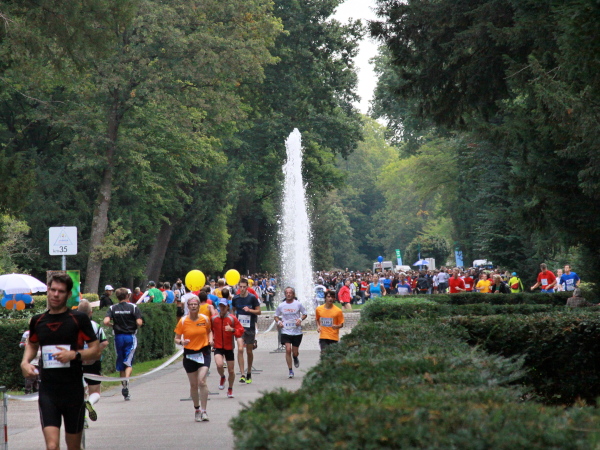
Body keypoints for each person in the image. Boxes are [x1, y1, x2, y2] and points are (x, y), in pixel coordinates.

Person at [20, 273, 100, 450]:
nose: (56, 294)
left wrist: (74, 355)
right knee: (52, 446)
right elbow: (32, 344)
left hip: (73, 390)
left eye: (61, 291)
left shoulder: (78, 319)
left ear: (68, 294)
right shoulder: (38, 321)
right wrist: (25, 362)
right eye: (53, 290)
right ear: (48, 290)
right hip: (48, 391)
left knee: (73, 447)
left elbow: (95, 350)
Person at [174, 295, 213, 422]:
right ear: (188, 307)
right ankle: (197, 409)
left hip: (203, 352)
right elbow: (176, 338)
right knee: (193, 384)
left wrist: (211, 340)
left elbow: (209, 331)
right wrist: (181, 342)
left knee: (202, 381)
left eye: (195, 304)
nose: (193, 306)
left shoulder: (205, 319)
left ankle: (204, 411)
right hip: (190, 354)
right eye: (191, 305)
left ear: (199, 306)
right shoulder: (183, 321)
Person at [103, 288, 143, 400]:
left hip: (118, 337)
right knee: (128, 362)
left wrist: (113, 325)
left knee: (121, 363)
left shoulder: (112, 308)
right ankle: (127, 380)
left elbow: (106, 321)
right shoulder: (133, 307)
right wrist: (136, 323)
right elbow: (139, 322)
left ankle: (125, 387)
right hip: (130, 336)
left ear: (117, 297)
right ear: (127, 296)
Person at [78, 299, 109, 428]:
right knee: (95, 391)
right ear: (90, 312)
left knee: (80, 392)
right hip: (93, 361)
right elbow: (104, 342)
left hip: (77, 362)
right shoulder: (95, 326)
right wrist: (96, 351)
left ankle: (83, 418)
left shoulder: (73, 326)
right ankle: (90, 402)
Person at [211, 297, 244, 399]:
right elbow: (209, 330)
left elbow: (241, 331)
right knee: (219, 364)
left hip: (229, 347)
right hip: (218, 346)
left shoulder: (232, 318)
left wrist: (232, 330)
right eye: (221, 306)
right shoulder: (214, 318)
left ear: (227, 307)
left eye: (224, 306)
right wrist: (211, 339)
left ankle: (230, 388)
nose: (222, 308)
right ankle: (222, 377)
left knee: (231, 371)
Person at [232, 278, 261, 384]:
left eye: (244, 287)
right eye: (241, 287)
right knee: (240, 349)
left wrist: (250, 310)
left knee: (249, 351)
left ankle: (249, 372)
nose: (242, 289)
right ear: (238, 287)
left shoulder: (252, 298)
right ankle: (242, 374)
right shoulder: (235, 298)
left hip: (250, 327)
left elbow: (259, 311)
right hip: (240, 328)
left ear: (247, 287)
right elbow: (233, 311)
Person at [274, 287, 308, 378]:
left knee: (295, 352)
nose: (288, 294)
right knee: (288, 349)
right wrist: (279, 322)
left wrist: (300, 319)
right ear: (285, 294)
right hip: (286, 331)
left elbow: (305, 314)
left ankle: (295, 357)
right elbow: (276, 316)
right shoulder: (281, 305)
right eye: (287, 293)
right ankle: (290, 370)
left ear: (293, 294)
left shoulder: (298, 304)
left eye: (290, 293)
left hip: (297, 331)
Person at [19, 325, 40, 394]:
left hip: (40, 359)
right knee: (30, 378)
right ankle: (27, 392)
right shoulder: (27, 333)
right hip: (31, 359)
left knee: (38, 378)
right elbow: (21, 345)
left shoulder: (42, 331)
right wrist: (27, 345)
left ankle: (37, 393)